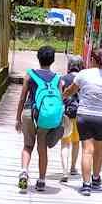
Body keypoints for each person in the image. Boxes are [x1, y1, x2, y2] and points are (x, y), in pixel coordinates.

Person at [63, 47, 102, 196]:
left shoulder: (83, 74)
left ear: (91, 59)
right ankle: (96, 178)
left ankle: (86, 185)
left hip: (84, 117)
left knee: (87, 150)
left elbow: (70, 91)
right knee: (98, 150)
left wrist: (61, 96)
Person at [15, 45, 63, 191]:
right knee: (42, 148)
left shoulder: (30, 75)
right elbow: (59, 101)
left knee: (28, 145)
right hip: (45, 117)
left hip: (30, 113)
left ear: (38, 58)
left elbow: (23, 97)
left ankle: (24, 172)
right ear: (53, 60)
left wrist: (18, 118)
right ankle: (41, 181)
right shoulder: (57, 79)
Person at [59, 54, 84, 182]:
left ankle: (64, 172)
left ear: (69, 66)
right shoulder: (84, 79)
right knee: (76, 142)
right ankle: (73, 168)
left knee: (65, 143)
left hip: (66, 115)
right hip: (79, 115)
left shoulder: (62, 79)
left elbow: (60, 97)